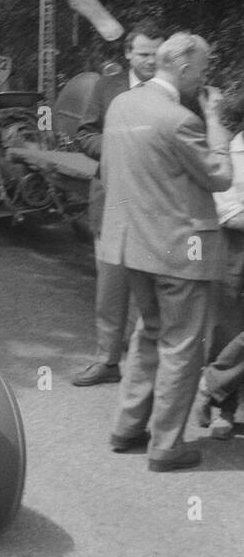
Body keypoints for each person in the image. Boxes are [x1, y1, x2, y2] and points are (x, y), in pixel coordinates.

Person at [102, 33, 233, 472]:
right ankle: (166, 447)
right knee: (182, 347)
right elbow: (219, 176)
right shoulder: (181, 120)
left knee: (148, 335)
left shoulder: (122, 105)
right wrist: (216, 120)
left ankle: (126, 427)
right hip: (181, 251)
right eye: (202, 68)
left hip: (133, 245)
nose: (205, 76)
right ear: (180, 68)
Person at [72, 20, 165, 386]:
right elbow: (84, 134)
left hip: (156, 206)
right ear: (128, 54)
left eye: (156, 55)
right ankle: (107, 361)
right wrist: (119, 145)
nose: (149, 62)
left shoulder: (171, 92)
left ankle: (150, 367)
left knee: (154, 290)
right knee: (110, 287)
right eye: (143, 55)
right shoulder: (106, 87)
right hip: (111, 200)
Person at [190, 87, 244, 437]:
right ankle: (222, 406)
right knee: (229, 328)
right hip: (236, 248)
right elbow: (229, 211)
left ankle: (211, 384)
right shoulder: (236, 148)